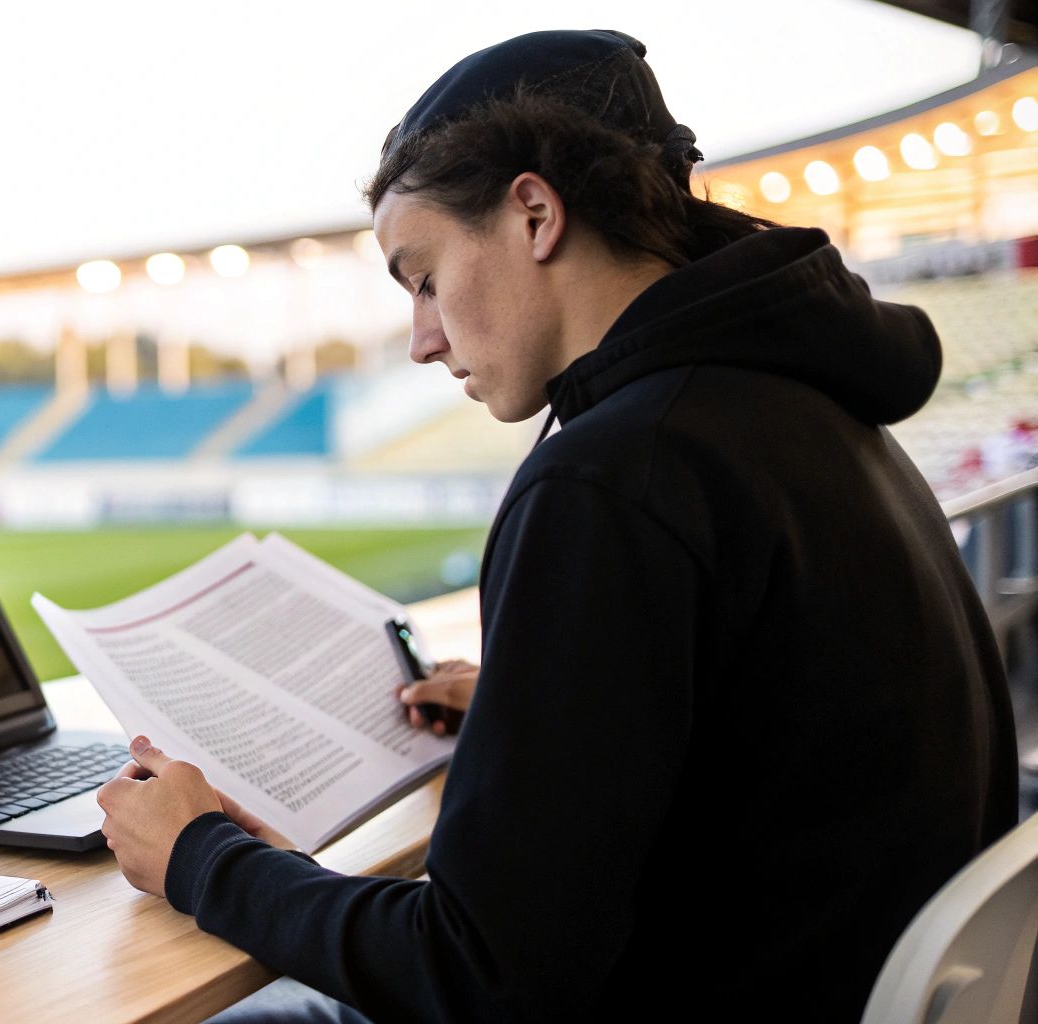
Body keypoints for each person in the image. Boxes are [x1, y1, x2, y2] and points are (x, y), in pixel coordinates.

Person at [94, 29, 1017, 1022]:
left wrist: (201, 858)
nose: (420, 338)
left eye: (422, 277)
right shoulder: (805, 404)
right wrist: (546, 710)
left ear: (534, 213)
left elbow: (477, 977)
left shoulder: (613, 474)